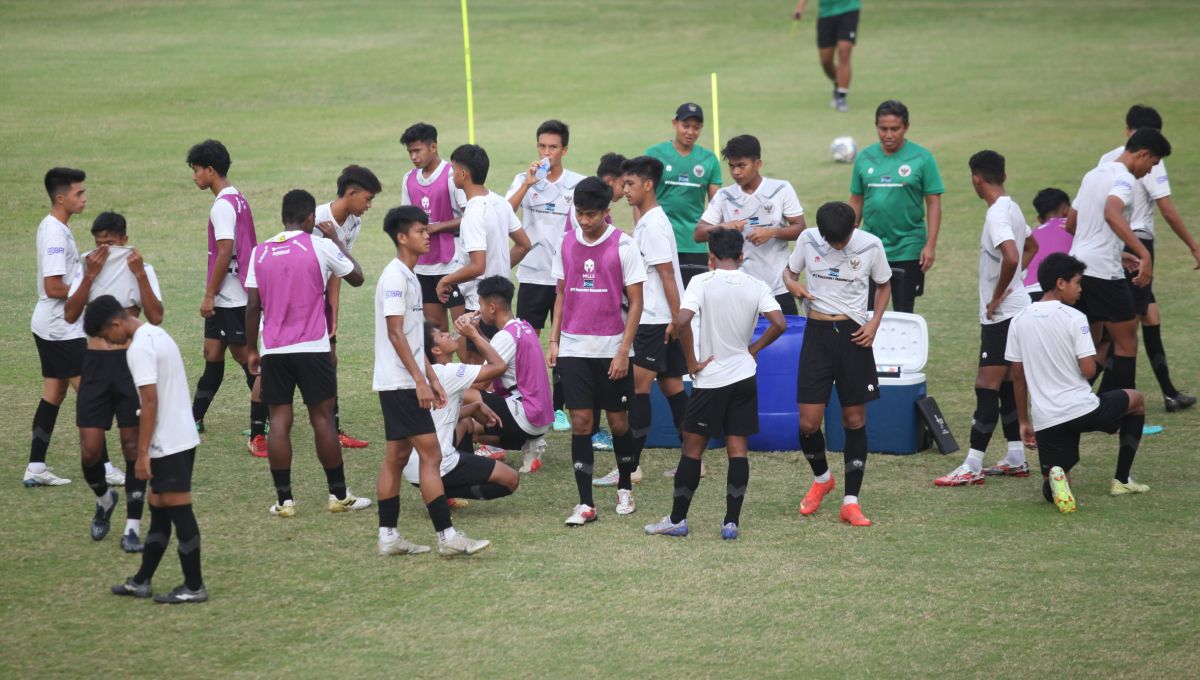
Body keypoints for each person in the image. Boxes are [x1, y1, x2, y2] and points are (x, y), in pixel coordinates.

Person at [644, 228, 786, 540]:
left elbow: (681, 321)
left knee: (692, 450)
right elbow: (780, 323)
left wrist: (691, 362)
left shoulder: (701, 282)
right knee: (738, 450)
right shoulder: (756, 284)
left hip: (712, 380)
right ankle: (730, 522)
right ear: (741, 256)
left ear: (710, 257)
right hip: (744, 377)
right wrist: (754, 349)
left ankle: (677, 520)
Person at [244, 190, 372, 518]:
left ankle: (285, 501)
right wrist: (339, 243)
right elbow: (357, 278)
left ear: (283, 217)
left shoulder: (260, 252)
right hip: (313, 347)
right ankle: (338, 495)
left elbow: (253, 305)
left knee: (280, 421)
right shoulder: (321, 245)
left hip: (273, 348)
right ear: (311, 218)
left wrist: (251, 350)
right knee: (322, 419)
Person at [374, 205, 491, 556]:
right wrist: (420, 381)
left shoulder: (409, 276)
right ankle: (447, 537)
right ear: (401, 237)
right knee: (432, 453)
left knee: (396, 457)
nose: (428, 235)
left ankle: (388, 537)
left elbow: (411, 337)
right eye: (420, 231)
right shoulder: (395, 277)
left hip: (404, 380)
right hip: (399, 384)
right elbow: (395, 334)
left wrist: (431, 377)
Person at [1008, 253, 1150, 513]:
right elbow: (1087, 370)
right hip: (1082, 409)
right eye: (1077, 282)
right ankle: (1122, 479)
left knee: (1054, 481)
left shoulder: (1018, 320)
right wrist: (1102, 347)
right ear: (1061, 283)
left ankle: (1057, 478)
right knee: (1137, 400)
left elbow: (1017, 376)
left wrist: (1024, 421)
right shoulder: (1074, 318)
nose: (1081, 289)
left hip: (1046, 419)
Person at [89, 296, 207, 604]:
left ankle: (194, 586)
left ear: (116, 323)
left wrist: (142, 454)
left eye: (105, 336)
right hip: (180, 437)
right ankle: (141, 581)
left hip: (168, 443)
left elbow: (150, 401)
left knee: (180, 511)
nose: (109, 343)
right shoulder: (156, 333)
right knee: (158, 510)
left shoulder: (139, 348)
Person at [784, 201, 891, 527]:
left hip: (853, 335)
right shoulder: (807, 239)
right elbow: (788, 272)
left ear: (852, 229)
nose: (837, 246)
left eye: (842, 241)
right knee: (807, 423)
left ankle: (851, 501)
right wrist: (793, 285)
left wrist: (873, 324)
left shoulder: (871, 245)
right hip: (816, 335)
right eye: (832, 242)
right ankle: (822, 480)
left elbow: (884, 285)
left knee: (854, 419)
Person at [934, 151, 1038, 487]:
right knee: (1007, 385)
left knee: (986, 385)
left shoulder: (996, 215)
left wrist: (997, 295)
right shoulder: (1013, 207)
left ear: (976, 178)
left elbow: (1011, 255)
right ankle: (1015, 457)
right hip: (1016, 309)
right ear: (1003, 175)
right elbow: (1031, 246)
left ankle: (972, 464)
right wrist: (1015, 283)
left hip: (1003, 316)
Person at [63, 212, 164, 551]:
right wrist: (89, 277)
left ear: (123, 239)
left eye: (109, 241)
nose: (103, 248)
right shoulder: (86, 267)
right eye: (97, 242)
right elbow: (70, 314)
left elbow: (156, 316)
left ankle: (132, 527)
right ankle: (105, 498)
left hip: (130, 364)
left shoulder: (141, 269)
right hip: (93, 364)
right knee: (90, 449)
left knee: (133, 446)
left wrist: (138, 274)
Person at [549, 177, 646, 525]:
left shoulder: (624, 246)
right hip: (575, 348)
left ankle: (624, 486)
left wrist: (623, 351)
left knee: (619, 424)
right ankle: (585, 503)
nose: (585, 221)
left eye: (592, 214)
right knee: (581, 422)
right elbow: (560, 294)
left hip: (612, 350)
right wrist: (555, 341)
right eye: (580, 214)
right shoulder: (565, 243)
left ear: (607, 211)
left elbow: (636, 303)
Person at [595, 155, 687, 487]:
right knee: (674, 387)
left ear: (648, 185)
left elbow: (667, 277)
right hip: (661, 319)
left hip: (654, 321)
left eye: (631, 183)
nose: (625, 189)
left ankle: (631, 467)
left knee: (637, 390)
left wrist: (677, 320)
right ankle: (694, 460)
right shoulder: (648, 220)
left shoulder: (653, 226)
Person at [1098, 105, 1197, 412]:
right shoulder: (1147, 158)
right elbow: (1166, 209)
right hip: (1137, 243)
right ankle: (1093, 396)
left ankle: (1168, 392)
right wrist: (1193, 245)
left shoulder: (1106, 159)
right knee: (1124, 329)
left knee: (1148, 317)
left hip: (1114, 242)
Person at [1066, 127, 1170, 393]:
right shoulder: (1125, 179)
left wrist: (1117, 251)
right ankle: (1123, 412)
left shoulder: (1093, 174)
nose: (1150, 171)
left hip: (1078, 268)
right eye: (1153, 164)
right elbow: (1112, 212)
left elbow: (1071, 223)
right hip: (1103, 273)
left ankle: (1076, 402)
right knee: (1126, 343)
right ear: (1143, 154)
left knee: (1091, 342)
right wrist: (1143, 253)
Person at [186, 140, 263, 453]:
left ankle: (265, 417)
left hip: (233, 298)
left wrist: (209, 294)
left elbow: (225, 251)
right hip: (227, 297)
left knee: (245, 358)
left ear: (210, 170)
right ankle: (195, 418)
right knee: (212, 354)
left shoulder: (222, 205)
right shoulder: (236, 197)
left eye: (196, 170)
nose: (194, 177)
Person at [399, 318, 521, 506]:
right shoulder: (447, 372)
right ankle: (437, 490)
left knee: (464, 423)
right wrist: (472, 333)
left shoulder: (423, 374)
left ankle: (436, 488)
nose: (447, 333)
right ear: (436, 350)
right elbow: (499, 366)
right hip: (436, 466)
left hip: (412, 467)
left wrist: (475, 407)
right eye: (441, 335)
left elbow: (436, 416)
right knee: (511, 480)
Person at [848, 100, 944, 313]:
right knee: (866, 311)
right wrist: (849, 236)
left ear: (906, 127)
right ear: (876, 127)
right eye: (883, 129)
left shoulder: (922, 158)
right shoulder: (865, 157)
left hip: (908, 247)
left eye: (895, 129)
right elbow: (856, 200)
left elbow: (934, 203)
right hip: (871, 245)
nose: (888, 135)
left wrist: (930, 244)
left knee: (903, 311)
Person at [25, 168, 89, 488]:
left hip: (56, 325)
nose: (84, 198)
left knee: (54, 393)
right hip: (59, 327)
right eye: (79, 193)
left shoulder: (58, 227)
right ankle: (102, 467)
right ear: (60, 197)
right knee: (90, 394)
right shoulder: (53, 232)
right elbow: (53, 287)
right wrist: (90, 289)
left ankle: (36, 466)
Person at [696, 134, 806, 314]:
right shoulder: (725, 196)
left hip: (778, 287)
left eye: (741, 166)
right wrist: (724, 227)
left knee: (782, 339)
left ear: (758, 164)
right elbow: (699, 233)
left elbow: (800, 228)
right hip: (739, 289)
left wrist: (771, 232)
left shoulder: (781, 189)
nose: (735, 172)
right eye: (731, 166)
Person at [314, 164, 383, 450]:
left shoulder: (353, 222)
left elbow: (339, 271)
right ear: (351, 193)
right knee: (279, 364)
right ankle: (260, 427)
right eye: (366, 199)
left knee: (330, 359)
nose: (368, 206)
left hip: (321, 301)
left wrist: (333, 317)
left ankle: (335, 429)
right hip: (298, 300)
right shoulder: (316, 219)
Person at [506, 120, 585, 333]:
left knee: (567, 339)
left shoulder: (579, 183)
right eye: (542, 146)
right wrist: (527, 184)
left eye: (553, 147)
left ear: (564, 150)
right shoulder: (523, 179)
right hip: (533, 273)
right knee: (528, 339)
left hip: (567, 275)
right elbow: (504, 215)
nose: (547, 153)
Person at [470, 276, 553, 474]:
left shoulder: (505, 337)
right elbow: (496, 349)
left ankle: (458, 459)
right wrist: (477, 331)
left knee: (466, 403)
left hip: (526, 415)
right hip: (539, 416)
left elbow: (480, 383)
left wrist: (471, 335)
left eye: (480, 304)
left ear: (491, 307)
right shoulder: (523, 326)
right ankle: (530, 445)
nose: (479, 310)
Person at [437, 144, 531, 315]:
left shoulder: (473, 213)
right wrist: (499, 270)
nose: (452, 176)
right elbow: (524, 245)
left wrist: (445, 280)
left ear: (463, 174)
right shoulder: (500, 202)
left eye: (454, 170)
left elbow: (478, 267)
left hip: (480, 306)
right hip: (501, 304)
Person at [400, 123, 469, 332]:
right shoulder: (409, 179)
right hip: (424, 266)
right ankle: (442, 366)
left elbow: (471, 217)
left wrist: (437, 227)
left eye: (417, 150)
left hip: (452, 264)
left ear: (433, 147)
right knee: (436, 329)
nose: (413, 157)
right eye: (410, 152)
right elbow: (406, 218)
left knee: (463, 329)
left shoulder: (451, 175)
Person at [645, 103, 723, 289]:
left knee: (692, 303)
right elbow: (642, 199)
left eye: (696, 127)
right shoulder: (655, 154)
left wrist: (716, 247)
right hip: (659, 240)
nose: (690, 132)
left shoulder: (709, 159)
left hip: (694, 244)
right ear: (675, 123)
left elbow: (717, 207)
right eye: (685, 126)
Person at [792, 0, 861, 113]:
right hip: (826, 14)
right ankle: (837, 82)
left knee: (844, 52)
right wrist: (800, 7)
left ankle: (841, 96)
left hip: (849, 9)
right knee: (826, 61)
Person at [1022, 188, 1073, 303]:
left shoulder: (1031, 236)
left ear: (1040, 219)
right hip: (1059, 293)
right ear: (1066, 210)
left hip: (1028, 294)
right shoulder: (1075, 229)